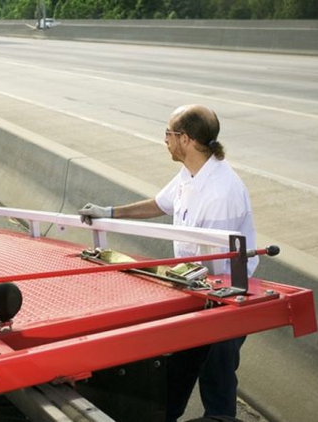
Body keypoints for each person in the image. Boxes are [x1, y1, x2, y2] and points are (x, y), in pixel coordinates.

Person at [78, 104, 259, 421]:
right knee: (180, 365)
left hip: (225, 296)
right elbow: (159, 204)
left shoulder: (221, 191)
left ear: (186, 139)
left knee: (216, 376)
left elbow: (219, 263)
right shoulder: (190, 173)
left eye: (168, 133)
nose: (164, 140)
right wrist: (109, 212)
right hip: (194, 289)